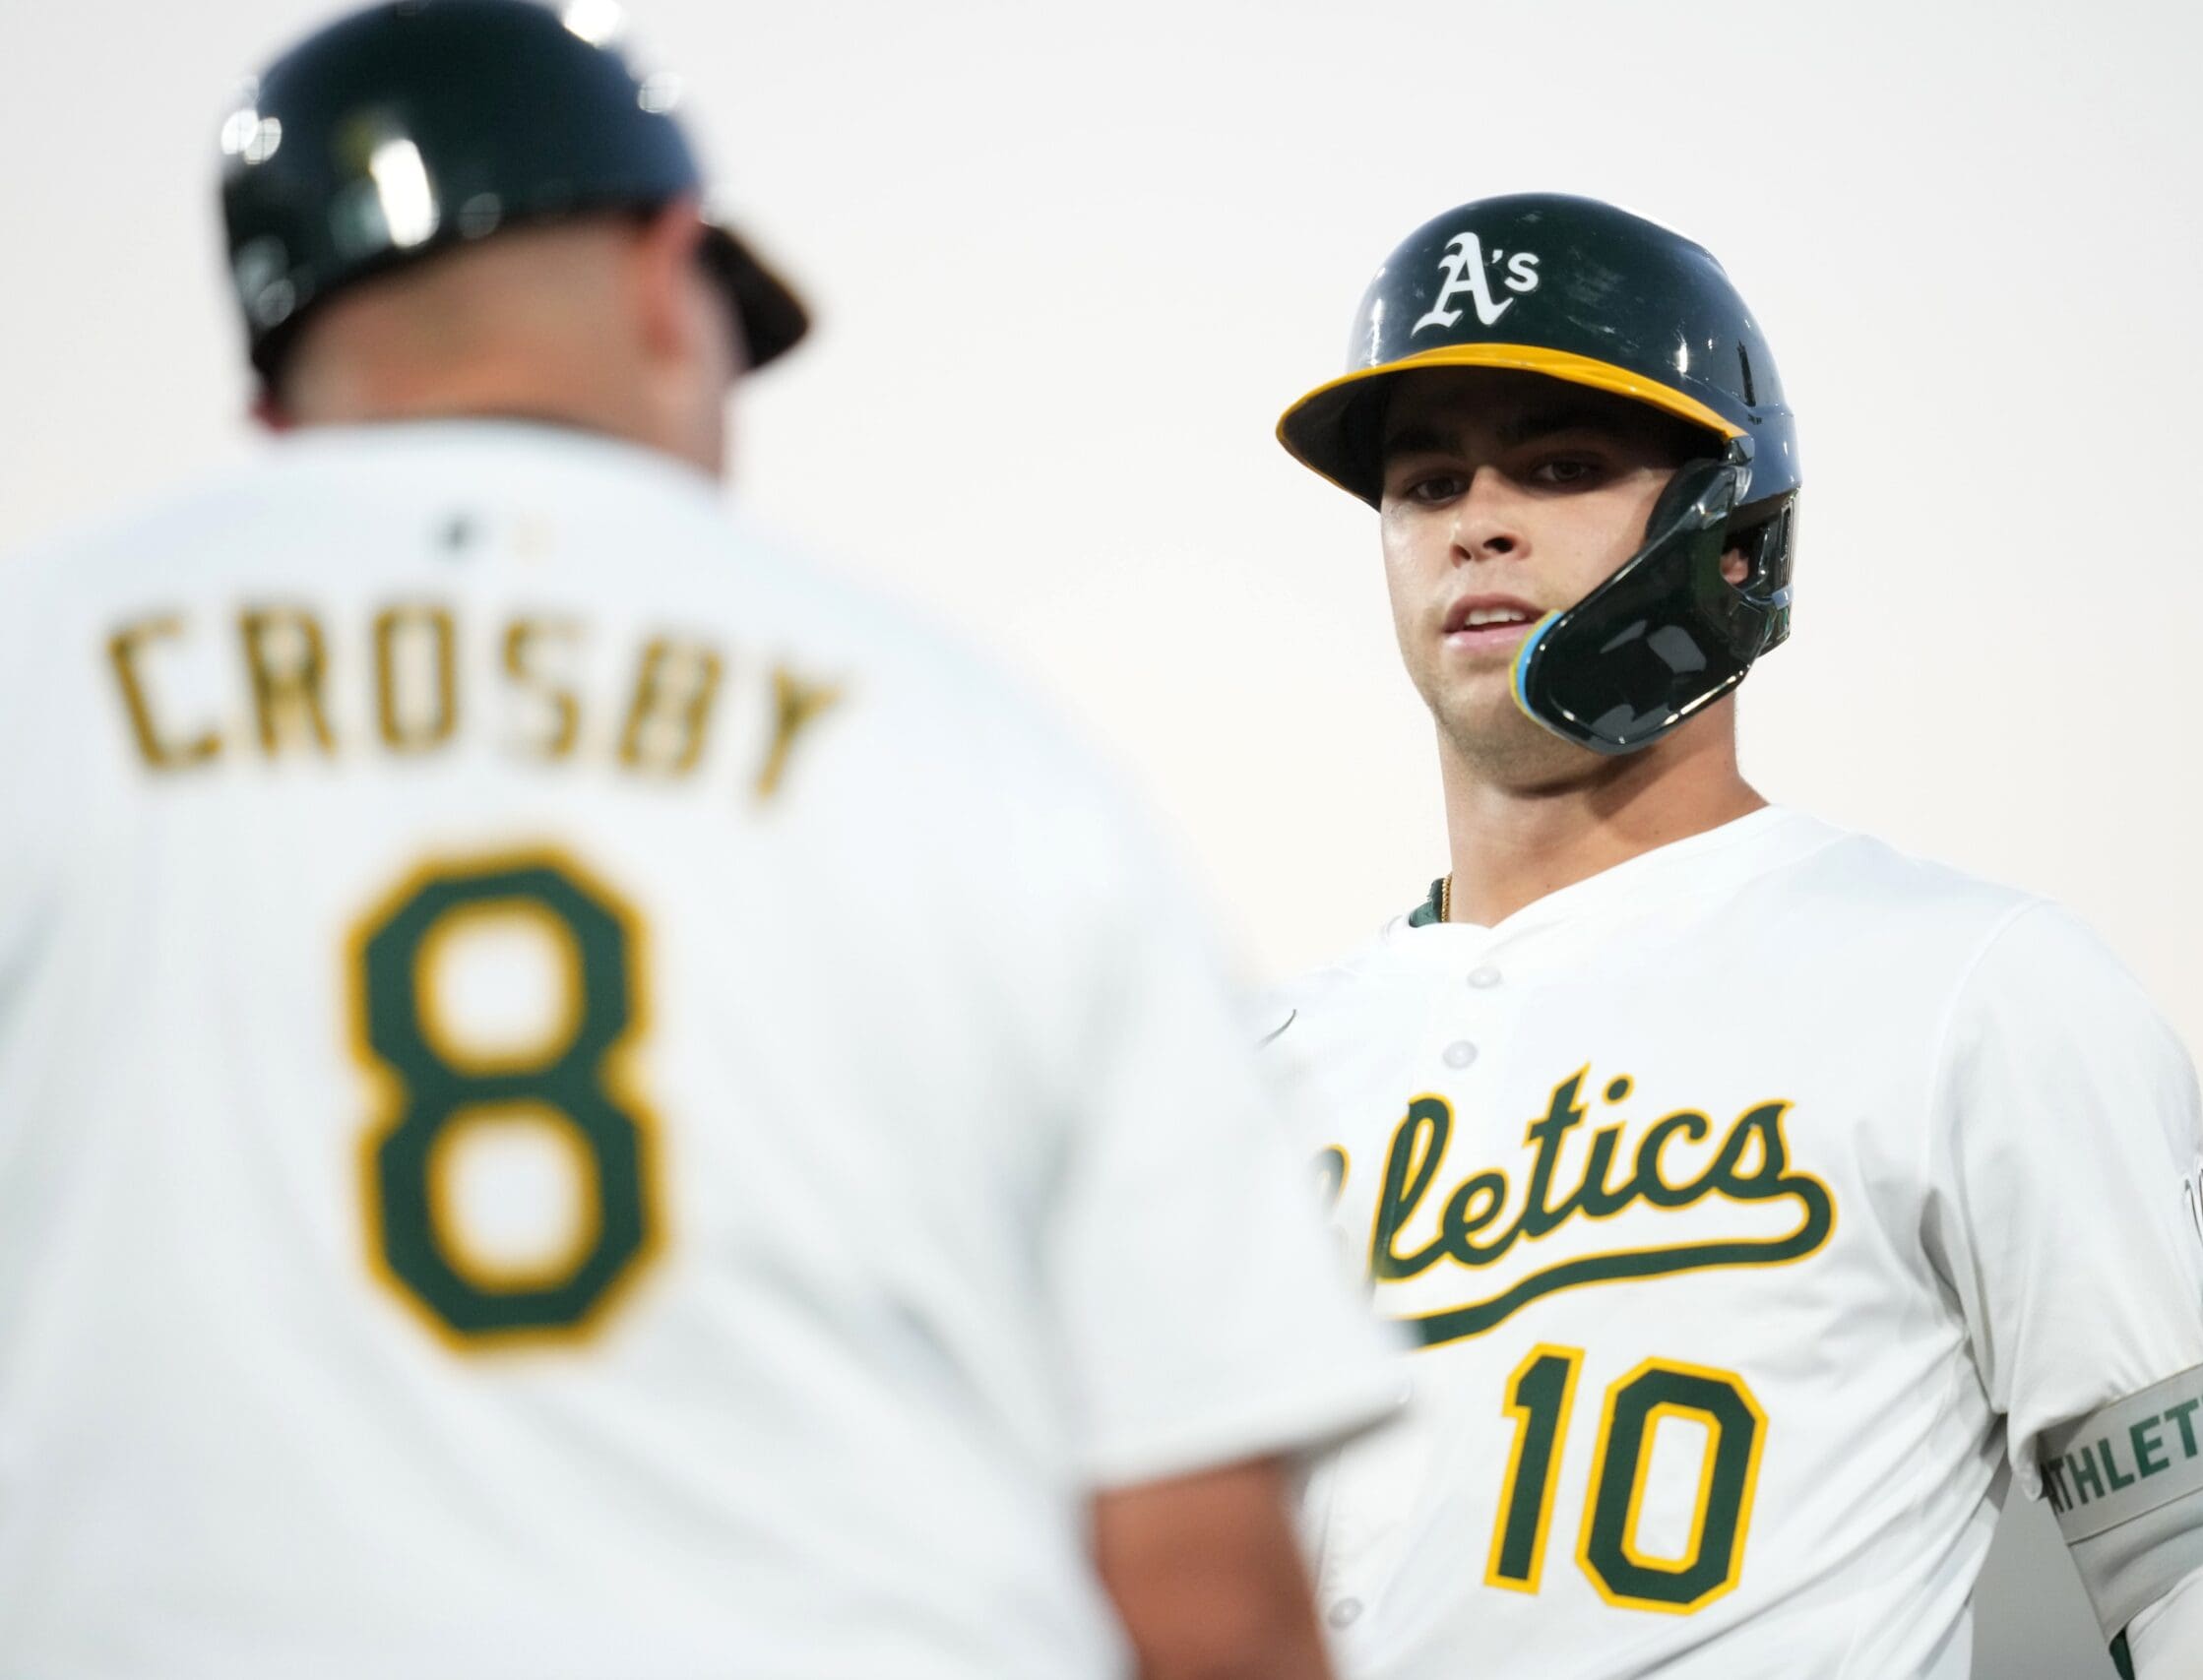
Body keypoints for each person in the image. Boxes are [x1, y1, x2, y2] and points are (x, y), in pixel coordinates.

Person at [0, 4, 1403, 1675]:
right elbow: (1197, 1558)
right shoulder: (966, 742)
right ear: (669, 275)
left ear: (274, 393)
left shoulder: (48, 676)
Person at [1261, 192, 2203, 1679]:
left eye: (1563, 463)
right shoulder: (1256, 1073)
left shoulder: (1970, 990)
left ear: (1729, 532)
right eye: (1423, 481)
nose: (1476, 517)